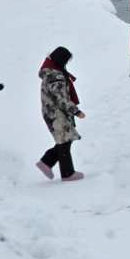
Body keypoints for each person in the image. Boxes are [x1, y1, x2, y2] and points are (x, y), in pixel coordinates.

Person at [36, 47, 85, 182]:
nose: (66, 64)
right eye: (66, 61)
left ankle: (51, 165)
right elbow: (61, 98)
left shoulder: (51, 72)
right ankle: (64, 172)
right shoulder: (55, 76)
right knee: (64, 141)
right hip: (56, 113)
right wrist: (76, 111)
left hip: (54, 112)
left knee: (65, 140)